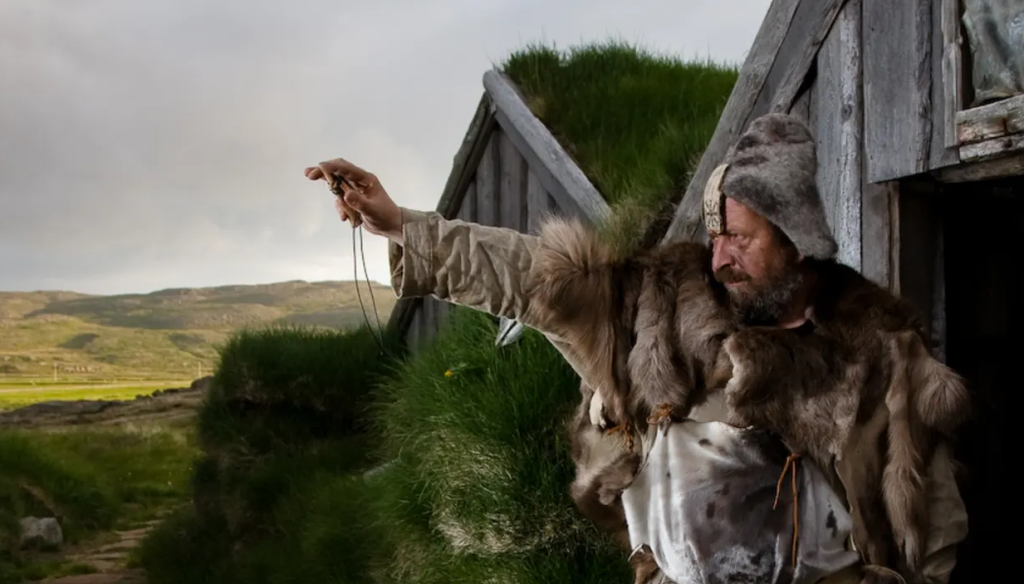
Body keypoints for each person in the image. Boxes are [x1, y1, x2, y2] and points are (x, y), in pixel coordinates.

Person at [304, 113, 969, 584]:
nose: (721, 258)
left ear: (799, 237)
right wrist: (401, 226)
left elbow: (933, 535)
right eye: (715, 237)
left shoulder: (876, 361)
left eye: (742, 238)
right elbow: (526, 274)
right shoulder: (658, 307)